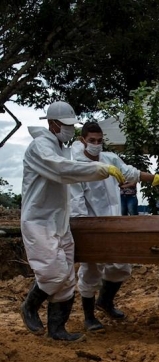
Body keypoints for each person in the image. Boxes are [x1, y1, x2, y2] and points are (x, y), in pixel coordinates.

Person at [19, 101, 127, 341]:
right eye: (65, 125)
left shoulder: (61, 148)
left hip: (59, 221)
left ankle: (57, 330)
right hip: (38, 220)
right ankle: (29, 306)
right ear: (51, 123)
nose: (69, 129)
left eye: (71, 125)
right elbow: (62, 170)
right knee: (54, 273)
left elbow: (70, 164)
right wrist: (99, 170)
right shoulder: (41, 147)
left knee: (67, 278)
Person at [69, 122, 159, 332]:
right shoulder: (77, 167)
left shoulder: (110, 159)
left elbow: (130, 173)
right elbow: (76, 202)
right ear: (83, 140)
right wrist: (83, 230)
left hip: (114, 225)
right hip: (92, 227)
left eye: (99, 140)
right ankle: (89, 317)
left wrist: (156, 178)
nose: (96, 145)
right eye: (92, 141)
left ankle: (105, 302)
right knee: (91, 270)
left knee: (120, 266)